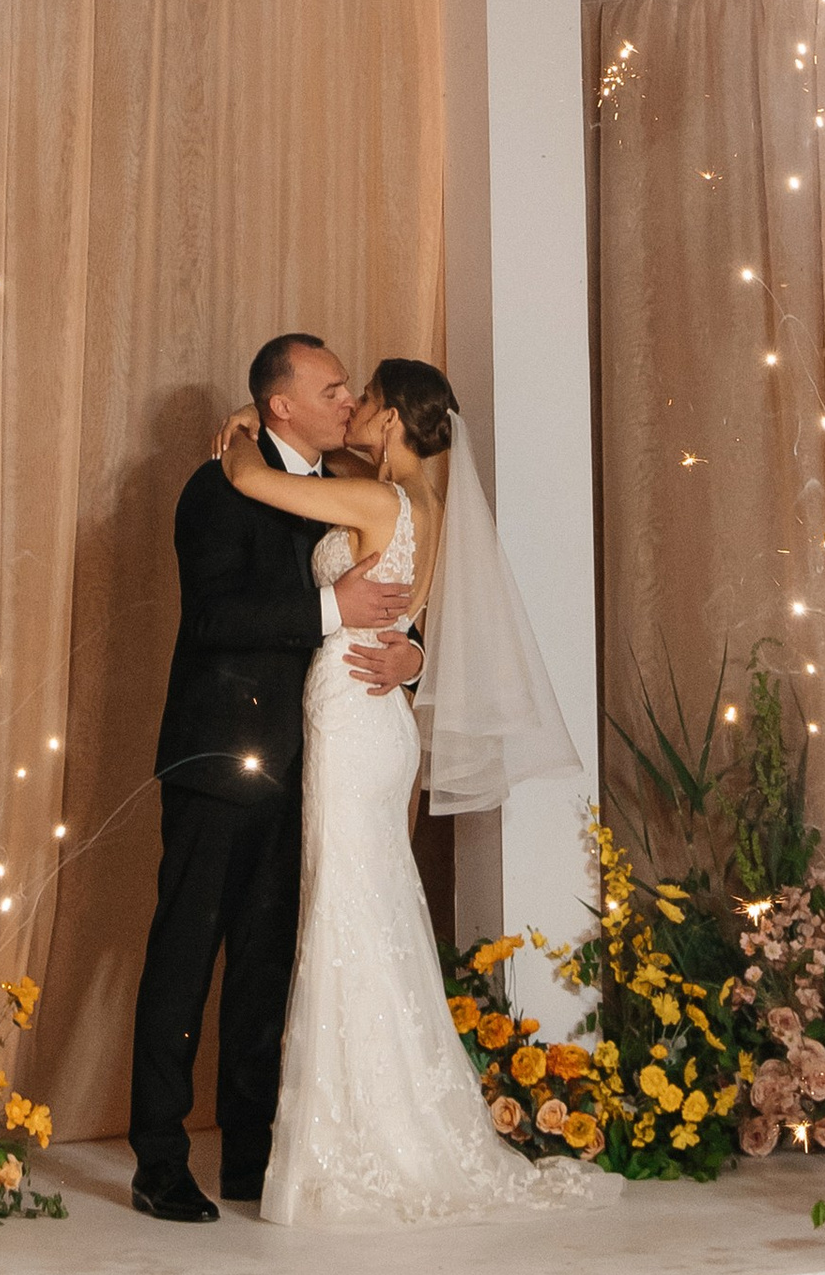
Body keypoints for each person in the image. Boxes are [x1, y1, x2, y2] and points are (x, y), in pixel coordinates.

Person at [216, 354, 613, 1226]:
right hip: (379, 712)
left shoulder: (373, 500)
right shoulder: (420, 504)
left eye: (369, 401)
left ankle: (357, 1133)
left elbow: (253, 481)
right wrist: (418, 654)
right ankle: (381, 1114)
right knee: (371, 906)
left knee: (344, 909)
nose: (353, 406)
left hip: (352, 717)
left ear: (393, 420)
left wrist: (245, 430)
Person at [127, 335, 422, 1221]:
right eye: (331, 387)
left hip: (310, 760)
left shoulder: (326, 483)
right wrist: (333, 608)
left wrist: (410, 653)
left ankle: (250, 1157)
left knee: (265, 964)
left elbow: (392, 586)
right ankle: (159, 1159)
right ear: (280, 404)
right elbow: (215, 615)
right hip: (219, 757)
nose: (348, 399)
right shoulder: (214, 485)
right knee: (186, 956)